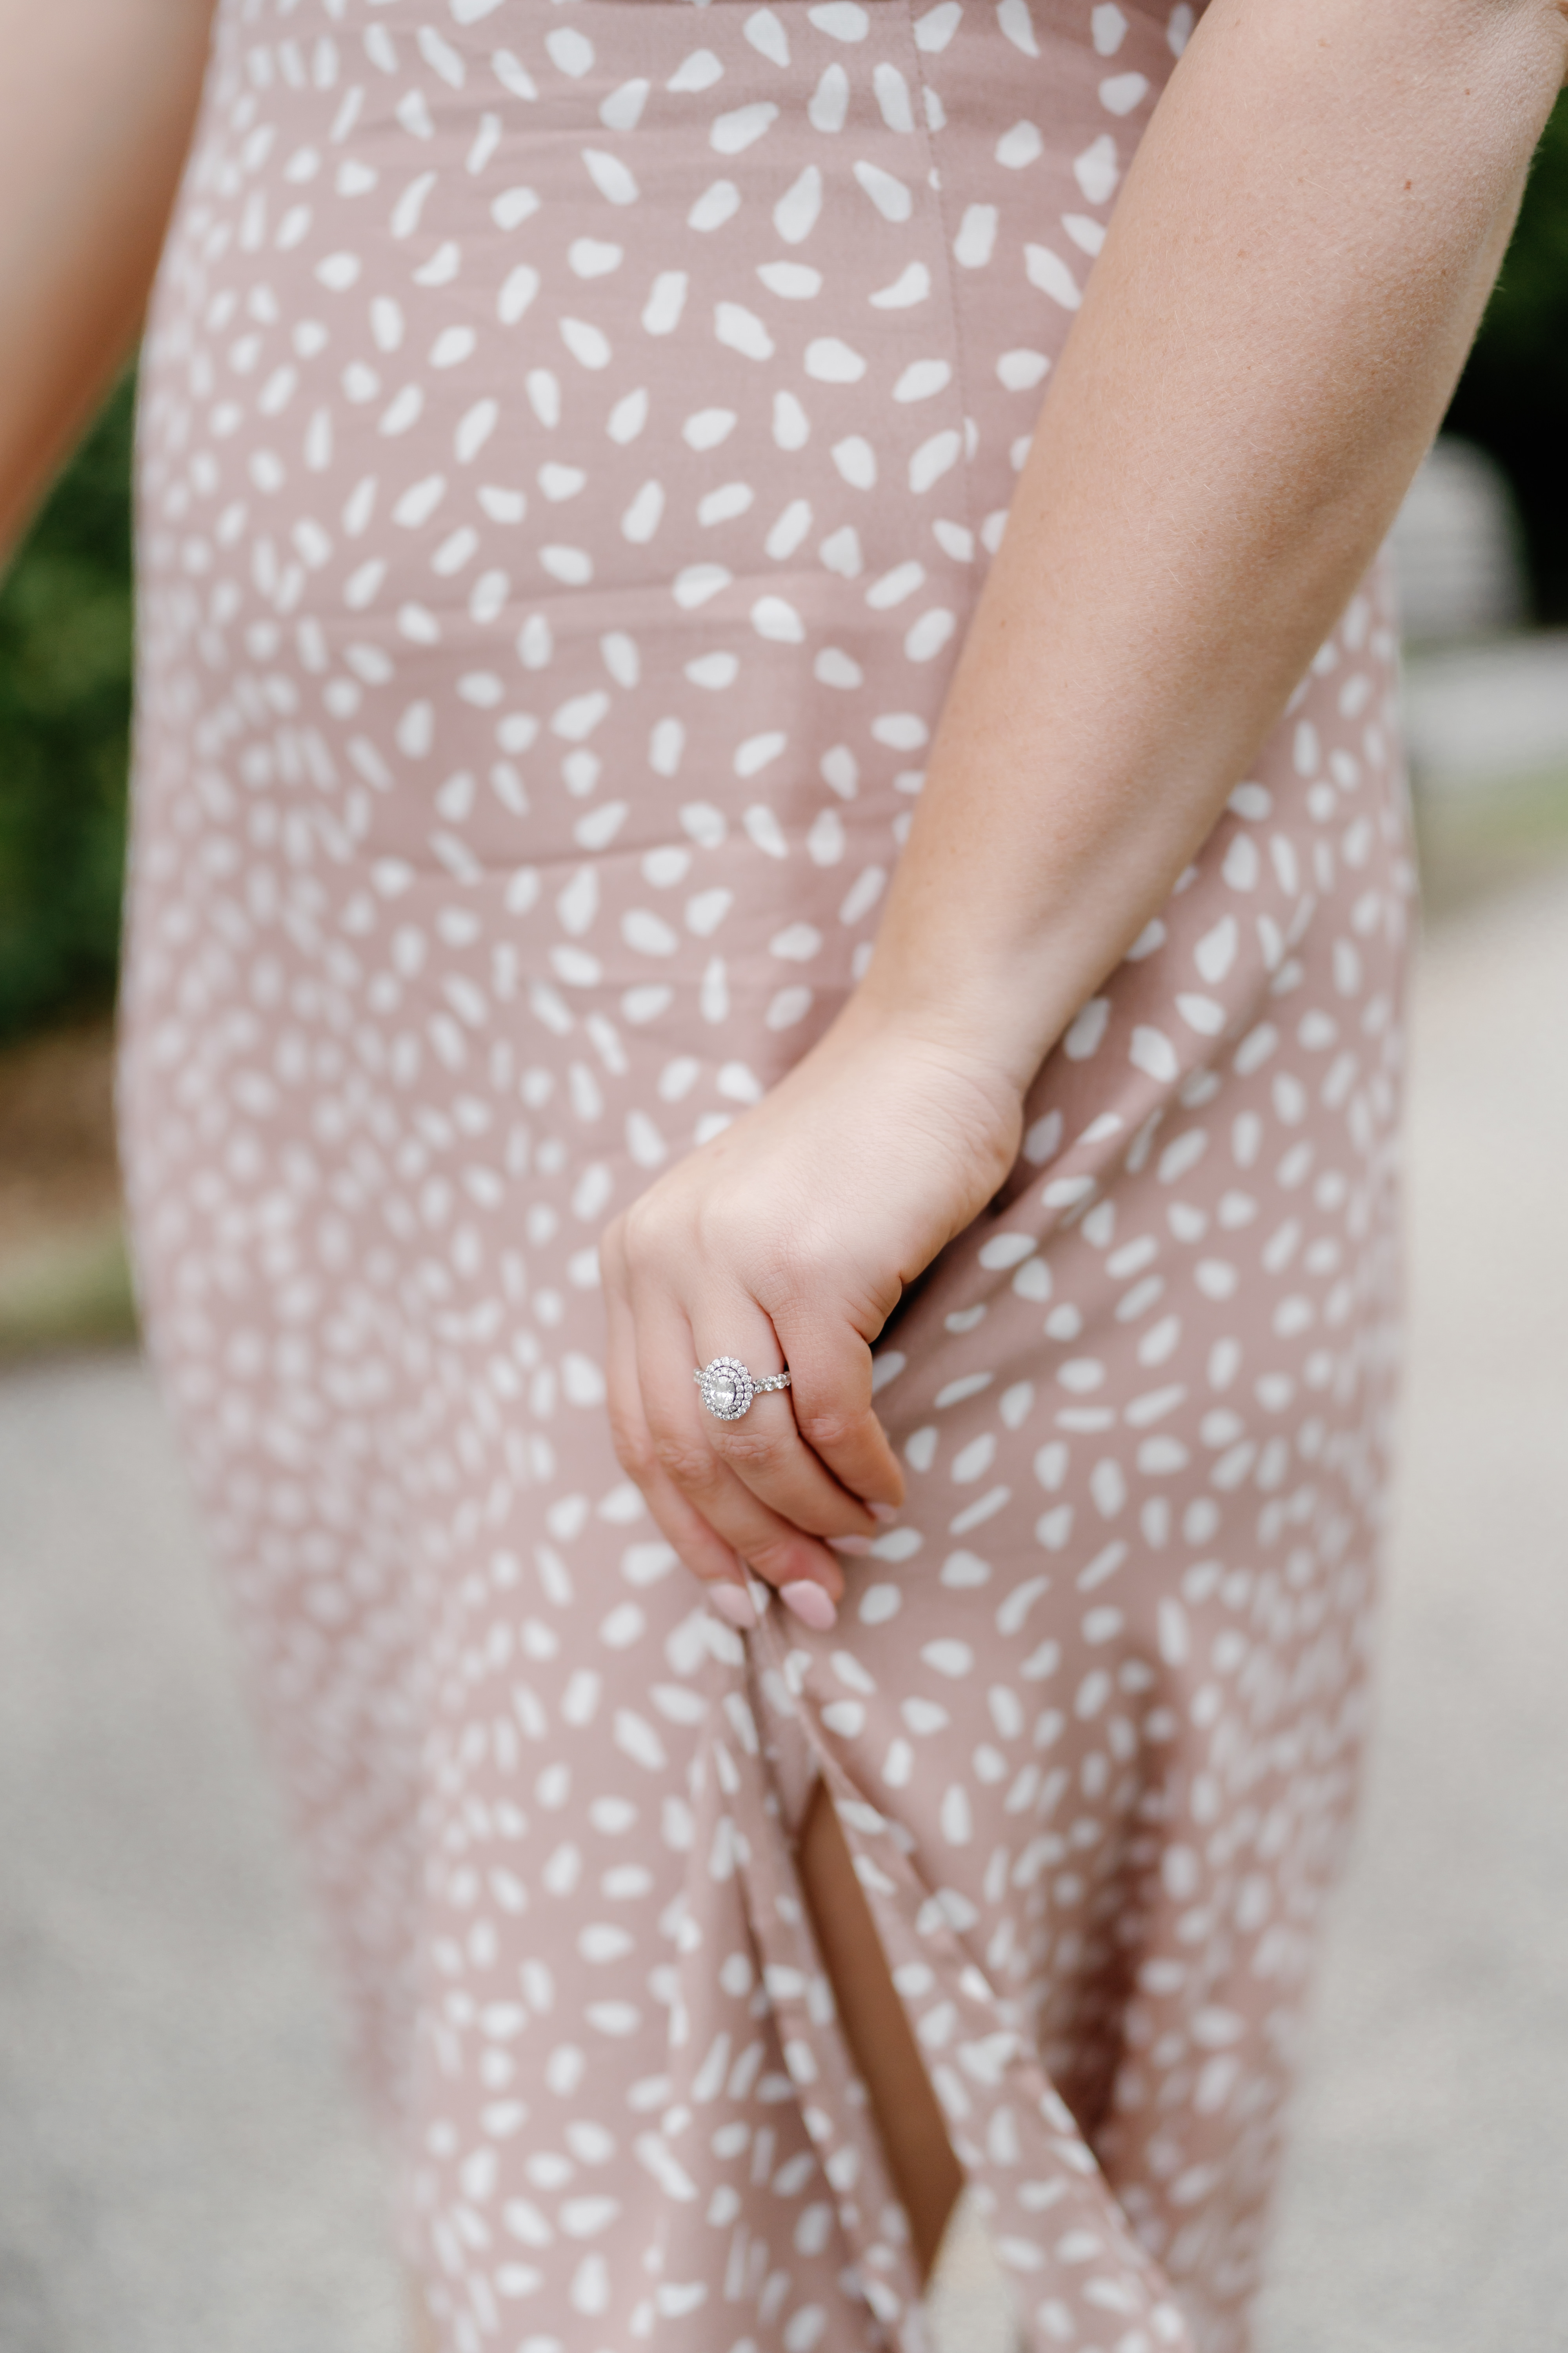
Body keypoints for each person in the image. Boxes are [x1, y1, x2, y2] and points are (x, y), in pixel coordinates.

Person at [3, 0, 1562, 2346]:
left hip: (879, 871)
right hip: (344, 928)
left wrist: (946, 1014)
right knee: (523, 2087)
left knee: (642, 2263)